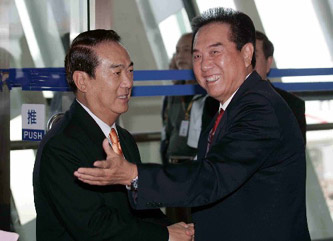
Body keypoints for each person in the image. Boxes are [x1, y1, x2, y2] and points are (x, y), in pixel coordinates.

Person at [74, 8, 311, 241]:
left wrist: (134, 175)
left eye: (215, 52)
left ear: (247, 53)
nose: (205, 65)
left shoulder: (259, 109)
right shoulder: (226, 107)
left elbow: (214, 176)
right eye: (197, 56)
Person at [33, 29, 194, 241]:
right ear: (82, 81)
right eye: (117, 73)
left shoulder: (123, 138)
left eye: (130, 71)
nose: (128, 83)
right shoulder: (61, 147)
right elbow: (94, 227)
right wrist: (165, 235)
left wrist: (177, 229)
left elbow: (138, 208)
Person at [161, 33, 219, 165]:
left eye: (186, 50)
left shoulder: (210, 92)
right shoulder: (173, 93)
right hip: (173, 163)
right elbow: (168, 131)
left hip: (197, 164)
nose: (180, 55)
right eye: (177, 51)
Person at [255, 30, 307, 143]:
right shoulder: (215, 104)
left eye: (253, 56)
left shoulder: (291, 106)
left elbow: (294, 157)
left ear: (268, 63)